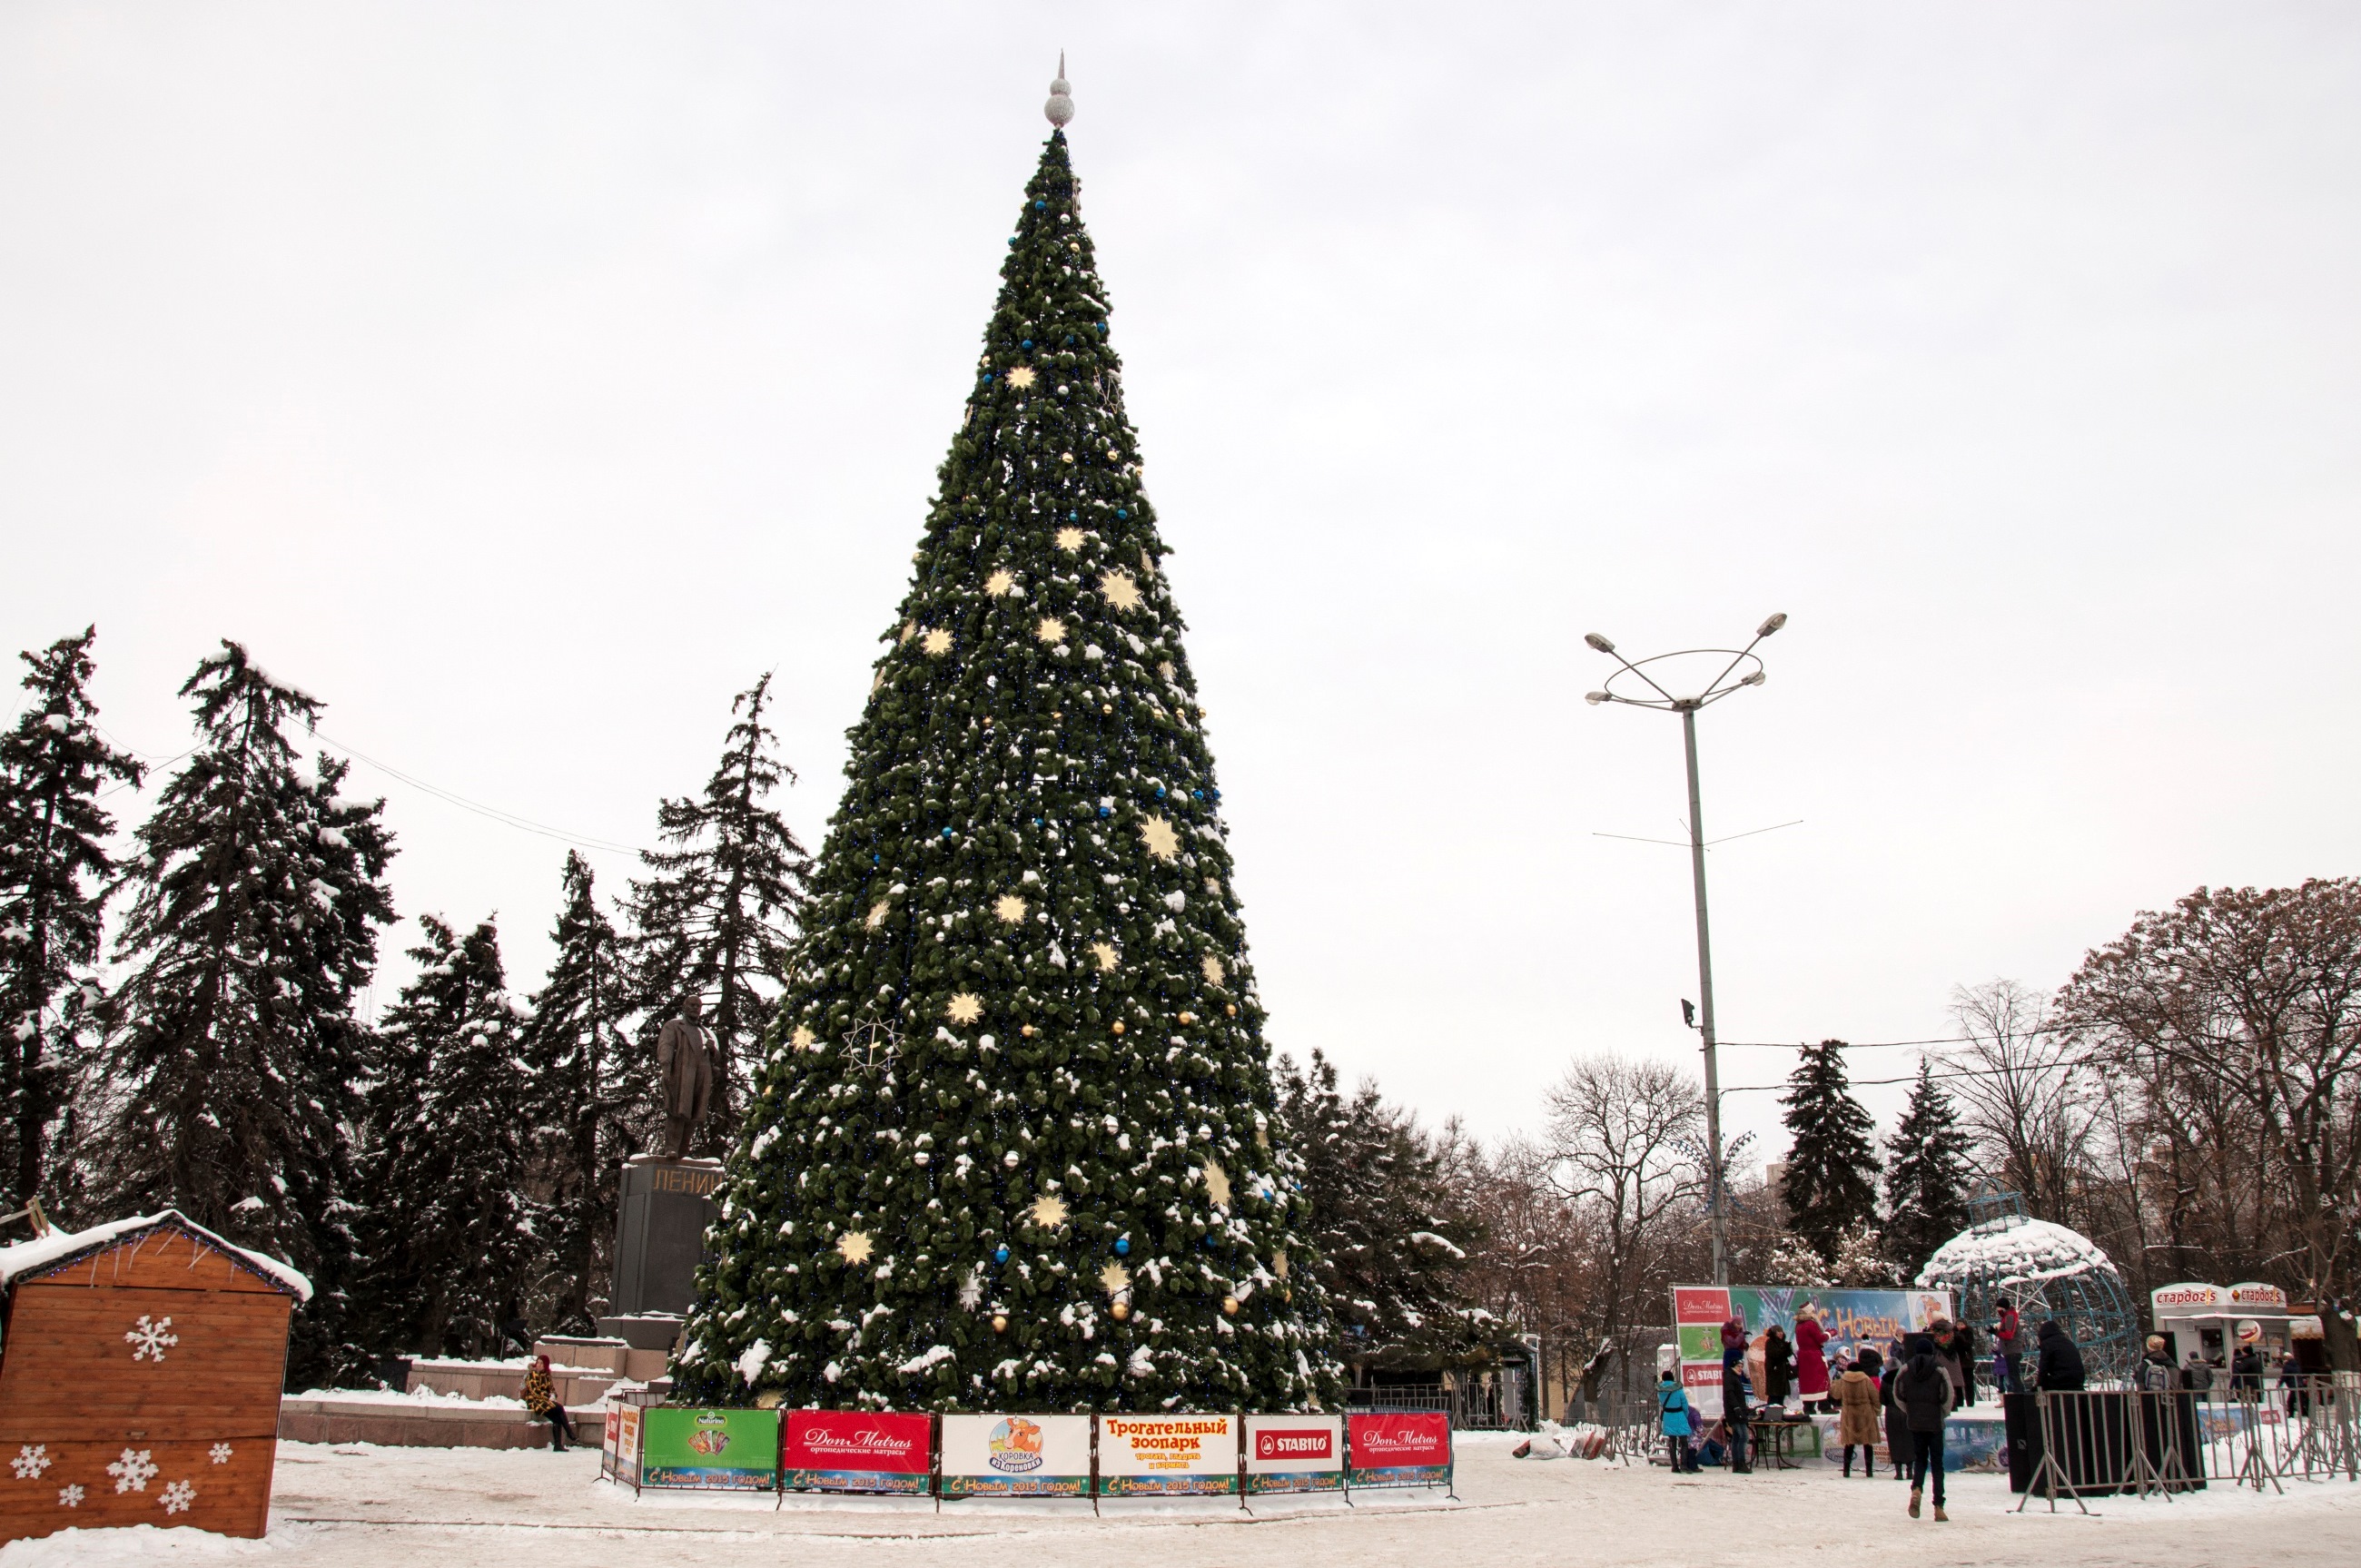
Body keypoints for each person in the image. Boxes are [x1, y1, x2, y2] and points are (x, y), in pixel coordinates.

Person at [1896, 1333, 1955, 1521]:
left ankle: (1917, 1489)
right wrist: (1942, 1413)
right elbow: (1948, 1394)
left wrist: (1909, 1410)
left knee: (1920, 1459)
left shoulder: (1905, 1369)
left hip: (1915, 1422)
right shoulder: (1939, 1369)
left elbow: (1897, 1393)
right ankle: (1938, 1506)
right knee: (1937, 1464)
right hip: (1934, 1423)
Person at [1835, 1347, 1883, 1479]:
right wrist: (1877, 1410)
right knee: (1868, 1443)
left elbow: (1835, 1394)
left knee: (1849, 1443)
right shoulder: (1865, 1379)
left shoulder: (1843, 1380)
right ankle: (1869, 1470)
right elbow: (1875, 1397)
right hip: (1865, 1413)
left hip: (1849, 1414)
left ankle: (1846, 1470)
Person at [522, 1355, 574, 1452]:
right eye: (538, 1362)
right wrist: (548, 1396)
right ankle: (569, 1432)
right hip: (534, 1401)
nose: (539, 1365)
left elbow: (552, 1389)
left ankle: (558, 1445)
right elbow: (535, 1392)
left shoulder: (547, 1376)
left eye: (542, 1363)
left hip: (545, 1401)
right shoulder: (532, 1375)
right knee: (559, 1408)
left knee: (557, 1418)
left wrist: (553, 1395)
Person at [1881, 1343, 1912, 1481]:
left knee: (1895, 1441)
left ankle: (1898, 1471)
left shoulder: (1885, 1380)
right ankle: (1910, 1471)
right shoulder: (1905, 1378)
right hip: (1906, 1412)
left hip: (1891, 1413)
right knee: (1909, 1440)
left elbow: (1882, 1399)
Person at [1722, 1345, 1754, 1474]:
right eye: (1739, 1367)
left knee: (1737, 1437)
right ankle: (1740, 1462)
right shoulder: (1730, 1377)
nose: (1740, 1369)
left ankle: (1737, 1464)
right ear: (1733, 1366)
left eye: (1741, 1367)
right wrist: (1736, 1408)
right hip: (1734, 1412)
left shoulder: (1733, 1377)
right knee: (1743, 1437)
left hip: (1737, 1411)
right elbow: (1730, 1394)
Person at [1657, 1370, 1698, 1474]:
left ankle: (1674, 1466)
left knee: (1672, 1441)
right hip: (1679, 1414)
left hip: (1667, 1416)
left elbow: (1662, 1403)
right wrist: (1685, 1414)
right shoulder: (1678, 1390)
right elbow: (1684, 1403)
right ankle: (1684, 1465)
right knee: (1684, 1442)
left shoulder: (1660, 1391)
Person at [1794, 1307, 1832, 1414]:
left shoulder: (1798, 1325)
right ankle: (1824, 1406)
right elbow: (1820, 1338)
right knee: (1820, 1379)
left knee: (1807, 1382)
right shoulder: (1810, 1324)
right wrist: (1830, 1334)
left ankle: (1808, 1407)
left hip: (1804, 1356)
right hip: (1814, 1355)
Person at [2034, 1318, 2087, 1392]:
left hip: (2062, 1382)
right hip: (2078, 1381)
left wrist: (2038, 1386)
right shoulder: (2068, 1342)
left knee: (2039, 1390)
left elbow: (2043, 1369)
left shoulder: (2047, 1344)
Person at [1994, 1302, 2022, 1393]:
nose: (1997, 1310)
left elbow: (2008, 1335)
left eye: (1998, 1308)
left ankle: (2019, 1396)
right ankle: (2018, 1395)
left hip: (2012, 1349)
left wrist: (1996, 1332)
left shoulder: (2009, 1317)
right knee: (2013, 1375)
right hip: (2011, 1350)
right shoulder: (2009, 1316)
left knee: (2014, 1375)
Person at [1764, 1324, 1794, 1407]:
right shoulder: (1770, 1342)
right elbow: (1775, 1354)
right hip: (1774, 1373)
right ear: (1774, 1333)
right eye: (1778, 1332)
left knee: (1781, 1395)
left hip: (1783, 1373)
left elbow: (1787, 1354)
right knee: (1774, 1396)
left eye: (1781, 1331)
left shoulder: (1783, 1342)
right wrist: (1785, 1349)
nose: (1780, 1333)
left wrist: (1788, 1349)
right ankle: (1771, 1414)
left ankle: (1780, 1412)